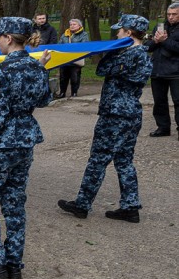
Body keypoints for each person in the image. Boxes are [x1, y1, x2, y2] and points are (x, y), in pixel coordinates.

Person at [0, 17, 52, 279]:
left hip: (2, 144)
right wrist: (41, 69)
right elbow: (44, 100)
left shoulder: (1, 70)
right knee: (15, 201)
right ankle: (14, 262)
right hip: (25, 141)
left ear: (8, 38)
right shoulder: (36, 68)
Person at [58, 15, 154, 223]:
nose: (116, 33)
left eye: (120, 30)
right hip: (131, 114)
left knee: (98, 159)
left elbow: (101, 69)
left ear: (128, 33)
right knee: (124, 160)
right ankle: (130, 206)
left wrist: (112, 50)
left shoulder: (127, 55)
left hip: (115, 115)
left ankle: (82, 204)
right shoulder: (144, 54)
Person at [147, 2, 179, 138]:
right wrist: (156, 41)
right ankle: (163, 127)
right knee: (159, 101)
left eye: (174, 14)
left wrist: (164, 41)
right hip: (158, 70)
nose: (171, 17)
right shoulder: (160, 27)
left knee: (178, 101)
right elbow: (148, 47)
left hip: (176, 71)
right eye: (169, 14)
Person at [58, 18, 90, 98]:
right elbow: (59, 45)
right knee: (63, 77)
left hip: (76, 59)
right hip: (64, 59)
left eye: (74, 24)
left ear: (79, 26)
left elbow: (83, 46)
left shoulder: (84, 35)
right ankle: (62, 93)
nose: (72, 26)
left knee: (75, 77)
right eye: (71, 24)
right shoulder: (65, 34)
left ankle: (74, 93)